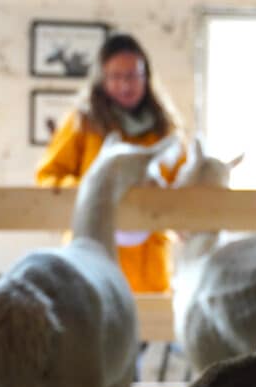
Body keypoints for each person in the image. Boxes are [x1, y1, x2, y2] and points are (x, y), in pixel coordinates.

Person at [36, 33, 184, 293]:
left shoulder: (165, 129)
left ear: (146, 77)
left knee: (145, 326)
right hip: (92, 258)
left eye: (132, 76)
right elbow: (48, 177)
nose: (125, 85)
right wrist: (95, 191)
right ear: (102, 79)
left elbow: (181, 185)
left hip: (148, 265)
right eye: (115, 77)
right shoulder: (82, 122)